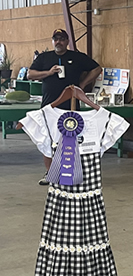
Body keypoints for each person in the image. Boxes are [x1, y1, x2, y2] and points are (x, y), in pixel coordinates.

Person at [28, 29, 103, 185]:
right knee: (48, 140)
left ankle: (72, 172)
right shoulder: (44, 57)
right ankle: (50, 174)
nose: (58, 42)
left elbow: (97, 69)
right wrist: (48, 73)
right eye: (55, 39)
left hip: (72, 105)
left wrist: (81, 85)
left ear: (67, 41)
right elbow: (30, 74)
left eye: (62, 39)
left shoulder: (77, 57)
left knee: (72, 139)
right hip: (49, 105)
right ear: (52, 41)